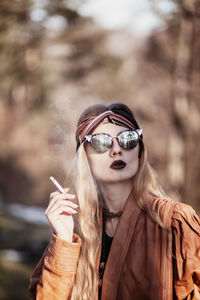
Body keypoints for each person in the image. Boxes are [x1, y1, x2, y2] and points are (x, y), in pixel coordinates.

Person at [29, 102, 200, 300]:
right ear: (85, 157)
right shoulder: (77, 230)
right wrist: (64, 241)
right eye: (101, 142)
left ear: (139, 150)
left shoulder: (174, 222)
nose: (117, 150)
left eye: (127, 139)